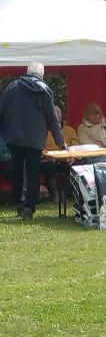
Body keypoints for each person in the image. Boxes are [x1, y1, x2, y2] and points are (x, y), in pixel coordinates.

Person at [0, 62, 65, 220]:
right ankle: (29, 207)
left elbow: (2, 112)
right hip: (35, 138)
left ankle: (20, 204)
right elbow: (52, 119)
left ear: (27, 72)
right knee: (33, 173)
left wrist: (5, 132)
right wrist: (60, 142)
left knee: (17, 172)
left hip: (14, 137)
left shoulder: (11, 88)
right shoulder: (44, 90)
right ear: (41, 75)